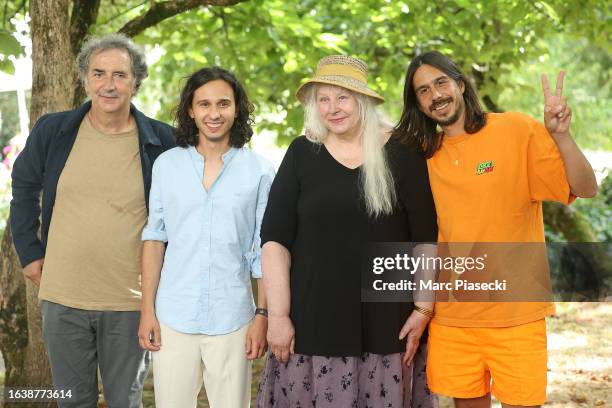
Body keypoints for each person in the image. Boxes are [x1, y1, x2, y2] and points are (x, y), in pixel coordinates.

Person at [393, 51, 597, 408]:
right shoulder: (424, 155)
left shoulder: (516, 130)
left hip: (516, 315)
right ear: (418, 104)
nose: (435, 94)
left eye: (441, 82)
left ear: (460, 84)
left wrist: (562, 136)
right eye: (423, 90)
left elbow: (584, 187)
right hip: (454, 318)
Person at [256, 55, 438, 407]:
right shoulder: (301, 153)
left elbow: (425, 239)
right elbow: (274, 240)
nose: (332, 108)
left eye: (342, 97)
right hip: (312, 322)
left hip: (389, 323)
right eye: (323, 99)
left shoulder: (404, 152)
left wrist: (423, 308)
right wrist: (277, 317)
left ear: (364, 101)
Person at [10, 34, 175, 407]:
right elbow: (23, 188)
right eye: (99, 73)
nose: (109, 84)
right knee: (72, 401)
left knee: (124, 401)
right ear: (86, 79)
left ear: (136, 81)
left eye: (120, 74)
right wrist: (30, 253)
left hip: (132, 302)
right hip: (63, 298)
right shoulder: (54, 131)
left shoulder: (162, 141)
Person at [137, 66, 273, 408]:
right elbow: (154, 238)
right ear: (190, 110)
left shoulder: (259, 170)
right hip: (172, 314)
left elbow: (264, 250)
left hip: (233, 316)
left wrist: (262, 316)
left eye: (224, 104)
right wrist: (147, 310)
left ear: (237, 109)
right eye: (205, 104)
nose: (214, 113)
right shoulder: (167, 165)